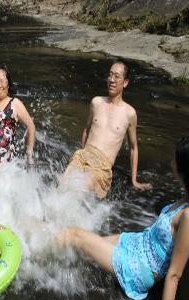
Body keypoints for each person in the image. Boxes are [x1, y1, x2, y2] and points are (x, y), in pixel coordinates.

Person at [58, 136, 189, 300]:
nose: (171, 161)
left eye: (175, 159)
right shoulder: (186, 199)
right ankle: (45, 247)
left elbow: (175, 273)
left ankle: (31, 250)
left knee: (75, 236)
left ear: (185, 169)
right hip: (135, 244)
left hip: (139, 269)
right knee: (84, 244)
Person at [62, 61, 151, 198]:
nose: (112, 80)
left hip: (102, 166)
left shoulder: (129, 113)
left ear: (125, 83)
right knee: (62, 186)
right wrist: (82, 153)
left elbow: (133, 148)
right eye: (110, 75)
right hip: (82, 157)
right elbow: (86, 130)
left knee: (77, 191)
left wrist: (134, 180)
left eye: (116, 76)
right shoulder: (96, 102)